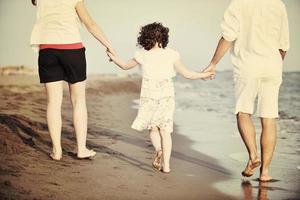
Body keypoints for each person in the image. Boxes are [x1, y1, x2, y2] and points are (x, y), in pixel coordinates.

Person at [107, 22, 215, 173]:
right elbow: (187, 74)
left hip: (149, 95)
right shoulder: (171, 54)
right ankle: (167, 166)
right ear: (163, 38)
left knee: (153, 128)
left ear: (144, 38)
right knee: (165, 130)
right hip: (166, 95)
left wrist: (112, 56)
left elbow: (124, 66)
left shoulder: (142, 55)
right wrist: (205, 74)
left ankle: (158, 150)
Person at [203, 0, 290, 181]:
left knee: (243, 111)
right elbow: (284, 44)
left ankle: (253, 156)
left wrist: (212, 64)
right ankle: (265, 172)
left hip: (248, 65)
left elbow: (228, 36)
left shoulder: (239, 3)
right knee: (269, 117)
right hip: (273, 65)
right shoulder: (278, 4)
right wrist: (275, 64)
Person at [30, 0, 116, 160]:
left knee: (53, 103)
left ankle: (57, 151)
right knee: (78, 101)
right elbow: (90, 24)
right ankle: (81, 149)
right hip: (72, 50)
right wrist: (109, 46)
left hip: (47, 51)